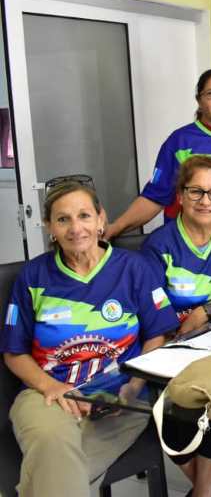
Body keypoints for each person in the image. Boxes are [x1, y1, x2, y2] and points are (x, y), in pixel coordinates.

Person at [0, 177, 178, 497]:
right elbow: (14, 352)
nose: (75, 228)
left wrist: (134, 385)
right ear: (49, 227)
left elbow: (158, 335)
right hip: (47, 395)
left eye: (84, 215)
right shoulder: (33, 276)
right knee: (54, 448)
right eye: (62, 219)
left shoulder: (134, 268)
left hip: (120, 399)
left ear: (100, 219)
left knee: (56, 475)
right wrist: (51, 387)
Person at [141, 156, 211, 497]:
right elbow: (153, 309)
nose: (206, 201)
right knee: (177, 414)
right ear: (180, 196)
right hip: (173, 346)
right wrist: (183, 332)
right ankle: (207, 491)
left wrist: (204, 312)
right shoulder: (158, 244)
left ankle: (203, 492)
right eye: (196, 191)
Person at [106, 69, 211, 251]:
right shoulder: (180, 141)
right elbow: (154, 197)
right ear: (199, 101)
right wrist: (114, 228)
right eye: (210, 94)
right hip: (194, 252)